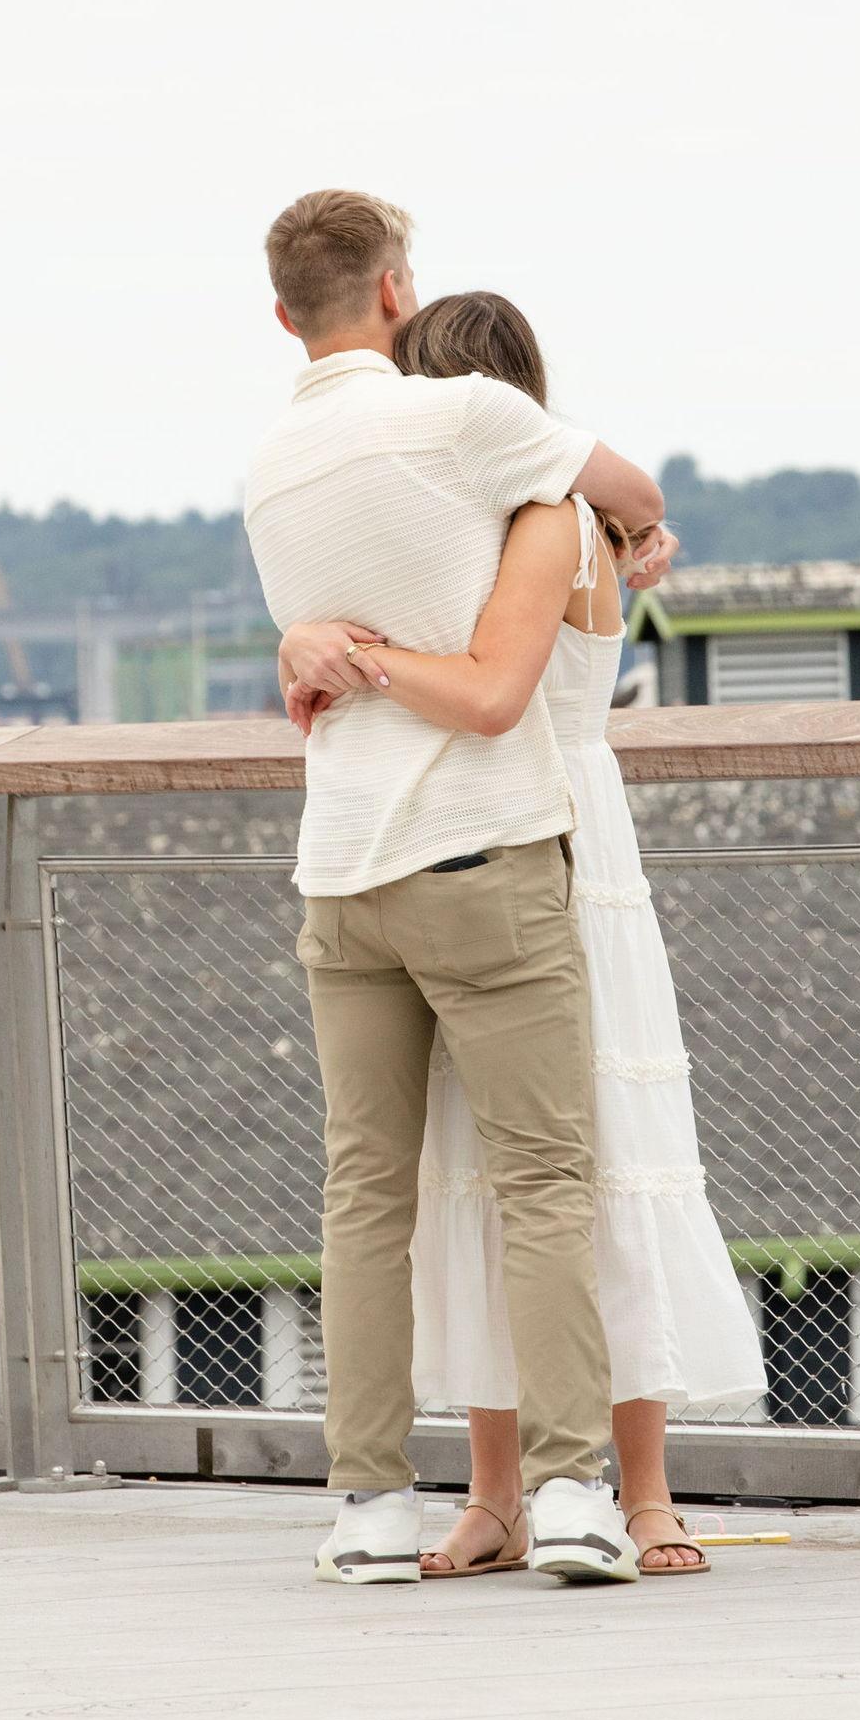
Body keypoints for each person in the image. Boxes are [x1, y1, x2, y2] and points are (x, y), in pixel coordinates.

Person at [281, 292, 765, 1580]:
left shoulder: (537, 532)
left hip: (547, 837)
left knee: (576, 1169)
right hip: (516, 838)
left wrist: (341, 651)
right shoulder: (543, 529)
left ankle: (605, 1490)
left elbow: (492, 685)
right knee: (501, 1174)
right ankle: (538, 1493)